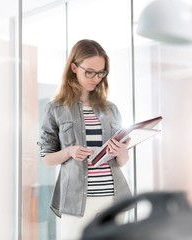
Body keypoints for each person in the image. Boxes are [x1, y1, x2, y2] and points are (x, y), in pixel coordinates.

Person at [37, 39, 132, 240]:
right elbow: (47, 159)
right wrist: (69, 152)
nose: (95, 78)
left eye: (101, 72)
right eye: (89, 71)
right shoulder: (55, 108)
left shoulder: (111, 109)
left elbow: (121, 162)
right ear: (74, 67)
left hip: (113, 197)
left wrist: (122, 152)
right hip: (75, 200)